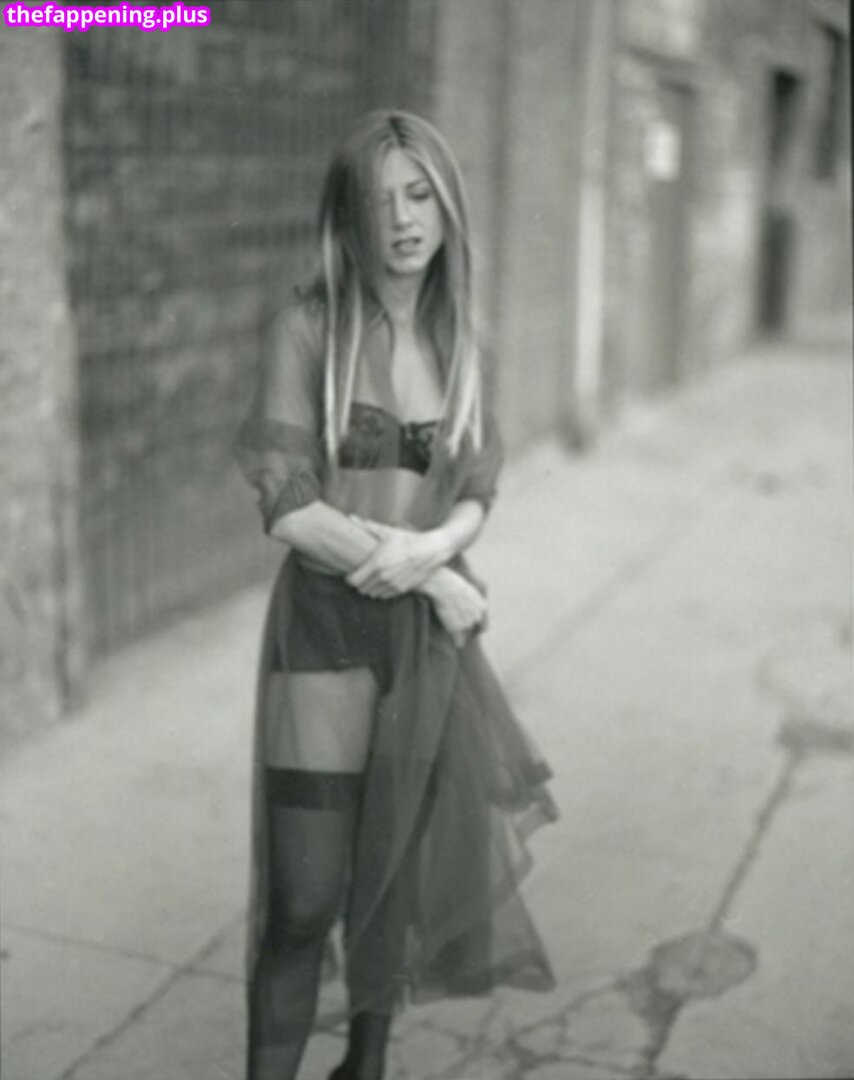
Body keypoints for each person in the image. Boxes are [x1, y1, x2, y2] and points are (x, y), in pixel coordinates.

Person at [234, 109, 557, 1080]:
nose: (404, 220)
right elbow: (289, 508)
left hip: (425, 643)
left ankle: (362, 1070)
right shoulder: (308, 329)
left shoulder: (465, 343)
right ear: (349, 217)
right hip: (324, 633)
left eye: (420, 195)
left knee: (389, 892)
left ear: (448, 207)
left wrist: (437, 552)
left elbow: (475, 492)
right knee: (302, 905)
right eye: (380, 203)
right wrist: (425, 568)